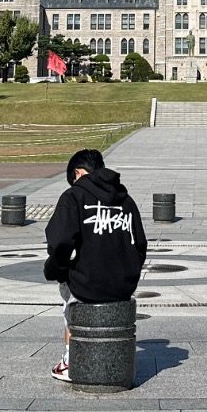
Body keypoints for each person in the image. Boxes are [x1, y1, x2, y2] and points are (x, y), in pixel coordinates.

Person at [42, 148, 147, 381]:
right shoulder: (127, 201)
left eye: (73, 180)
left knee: (66, 294)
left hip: (87, 286)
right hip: (123, 287)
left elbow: (59, 243)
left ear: (78, 173)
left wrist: (55, 270)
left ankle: (70, 360)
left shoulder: (74, 197)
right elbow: (140, 245)